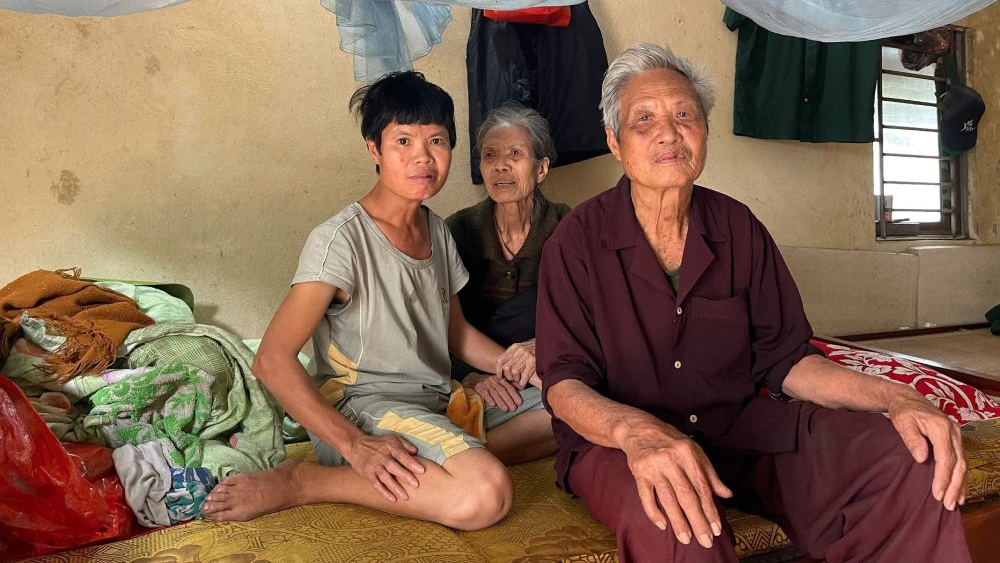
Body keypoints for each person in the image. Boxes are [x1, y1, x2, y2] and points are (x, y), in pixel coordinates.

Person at [535, 43, 970, 563]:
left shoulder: (737, 227)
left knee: (908, 457)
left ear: (704, 131)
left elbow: (787, 360)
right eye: (643, 120)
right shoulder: (576, 241)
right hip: (622, 444)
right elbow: (563, 384)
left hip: (736, 428)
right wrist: (637, 432)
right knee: (678, 525)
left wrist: (894, 397)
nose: (668, 133)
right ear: (615, 142)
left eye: (684, 115)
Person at [201, 71, 548, 526]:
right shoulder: (341, 240)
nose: (422, 156)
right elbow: (271, 360)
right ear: (374, 150)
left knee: (568, 405)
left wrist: (522, 367)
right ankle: (307, 480)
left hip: (435, 400)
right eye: (403, 141)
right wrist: (354, 445)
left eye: (437, 141)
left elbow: (456, 334)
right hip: (363, 409)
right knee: (485, 496)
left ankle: (446, 461)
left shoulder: (437, 230)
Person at [446, 104, 569, 461]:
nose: (501, 165)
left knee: (580, 407)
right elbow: (441, 324)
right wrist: (470, 376)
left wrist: (540, 347)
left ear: (541, 168)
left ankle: (460, 461)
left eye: (515, 154)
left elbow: (591, 317)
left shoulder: (568, 227)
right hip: (480, 382)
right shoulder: (458, 230)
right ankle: (462, 459)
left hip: (545, 373)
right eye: (490, 155)